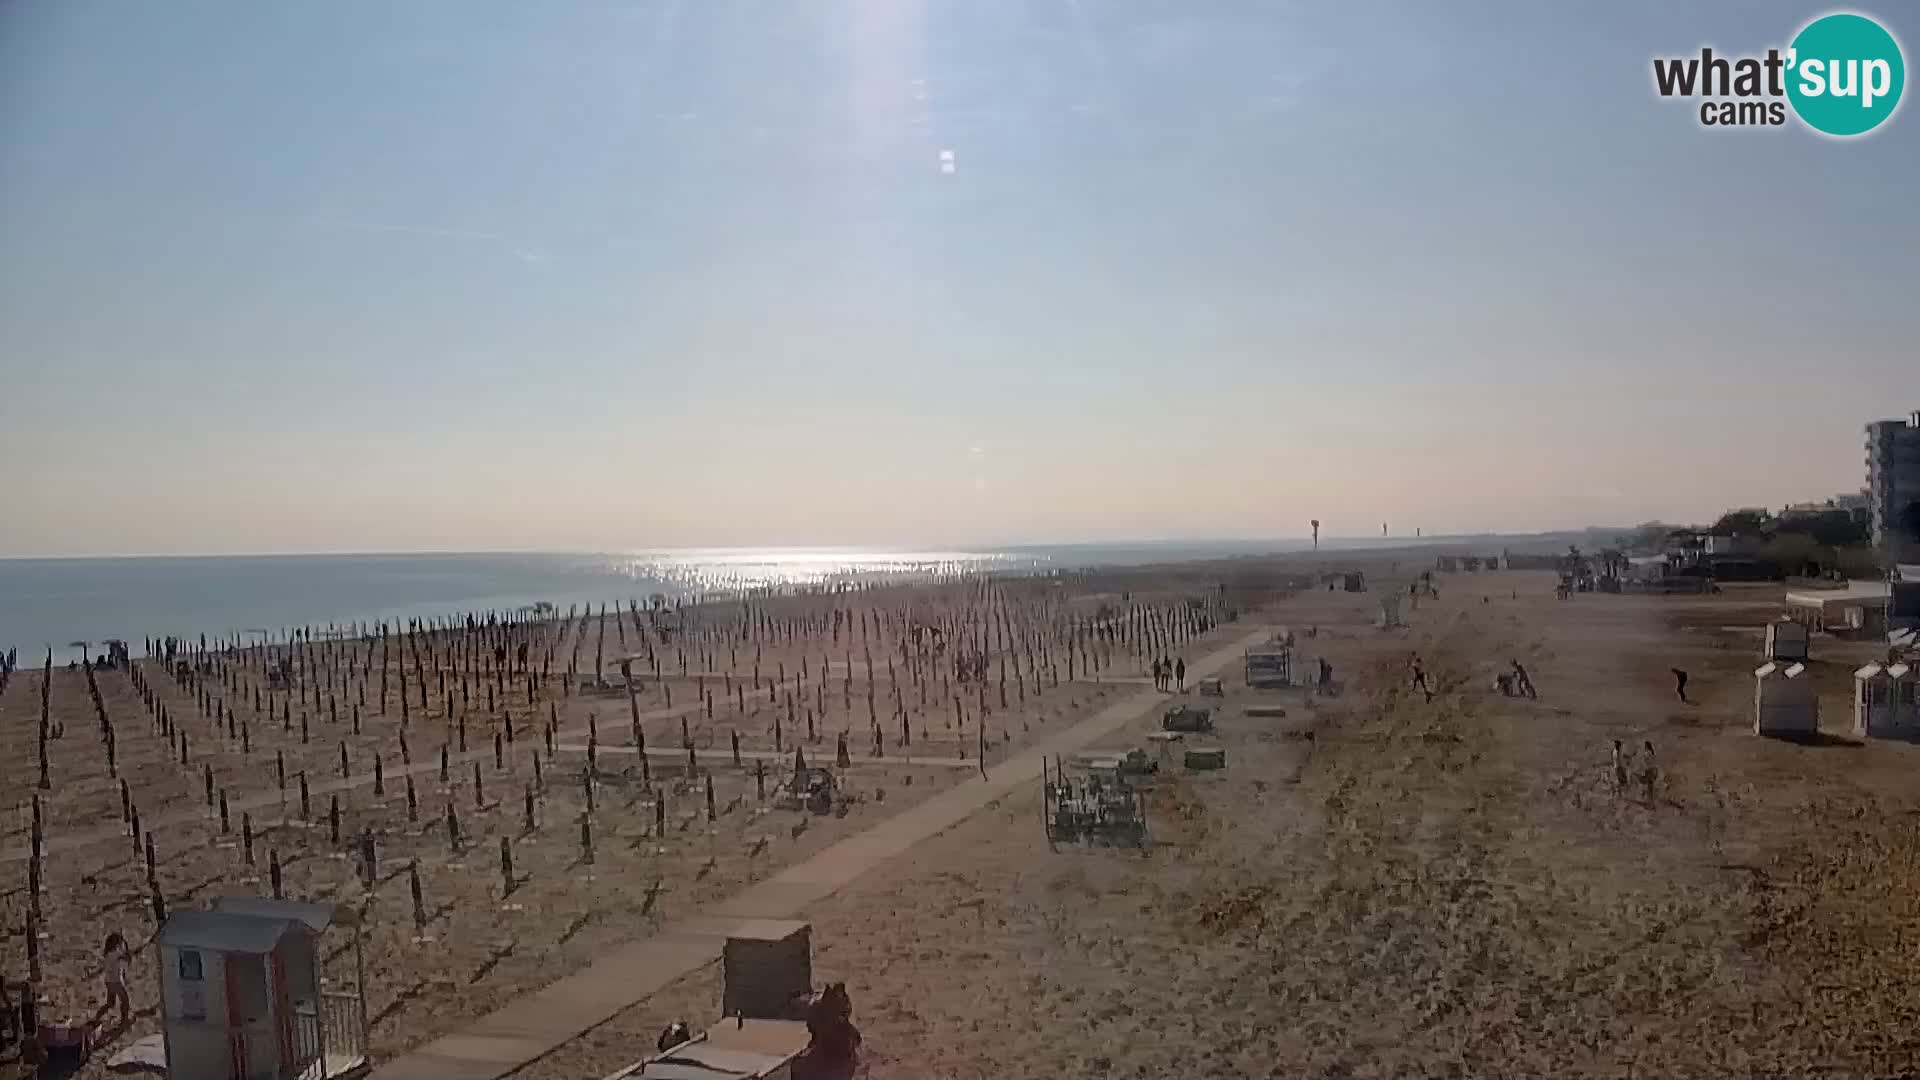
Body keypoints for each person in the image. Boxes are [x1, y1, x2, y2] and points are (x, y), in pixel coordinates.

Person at [100, 931, 132, 1026]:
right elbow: (126, 961)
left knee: (110, 1003)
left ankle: (98, 1016)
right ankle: (124, 1021)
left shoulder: (107, 954)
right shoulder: (118, 955)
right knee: (125, 1001)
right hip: (117, 982)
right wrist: (127, 953)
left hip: (108, 981)